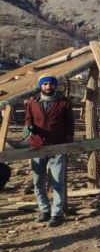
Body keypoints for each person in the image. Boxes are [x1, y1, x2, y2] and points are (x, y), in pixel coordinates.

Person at [24, 74, 74, 226]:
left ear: (55, 86)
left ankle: (57, 214)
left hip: (57, 146)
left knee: (57, 181)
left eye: (50, 84)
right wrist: (28, 127)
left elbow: (70, 123)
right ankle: (44, 210)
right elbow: (28, 118)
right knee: (38, 181)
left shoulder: (64, 103)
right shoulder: (33, 102)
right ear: (41, 86)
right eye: (44, 84)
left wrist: (67, 142)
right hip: (37, 146)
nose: (48, 86)